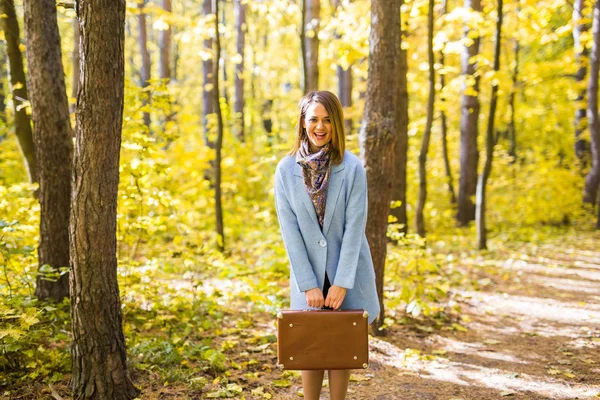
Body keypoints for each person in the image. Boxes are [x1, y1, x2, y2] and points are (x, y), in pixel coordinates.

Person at [273, 90, 380, 400]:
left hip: (346, 270)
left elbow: (354, 228)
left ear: (336, 124)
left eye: (327, 120)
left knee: (339, 342)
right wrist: (308, 284)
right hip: (307, 273)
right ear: (303, 123)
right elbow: (289, 232)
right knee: (310, 344)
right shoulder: (286, 170)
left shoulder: (352, 167)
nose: (320, 127)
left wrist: (342, 283)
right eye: (313, 120)